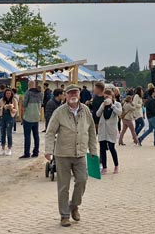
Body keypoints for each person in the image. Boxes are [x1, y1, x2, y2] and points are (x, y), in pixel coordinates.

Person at [44, 85, 98, 227]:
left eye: (76, 92)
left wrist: (93, 151)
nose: (73, 95)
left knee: (82, 180)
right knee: (63, 186)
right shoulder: (59, 112)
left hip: (80, 153)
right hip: (62, 154)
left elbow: (92, 130)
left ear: (79, 95)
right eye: (70, 93)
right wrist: (48, 150)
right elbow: (50, 132)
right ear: (66, 96)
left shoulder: (85, 110)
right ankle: (64, 215)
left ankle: (74, 205)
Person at [96, 91, 122, 174]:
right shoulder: (103, 104)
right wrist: (103, 106)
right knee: (102, 148)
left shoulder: (117, 104)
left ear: (112, 96)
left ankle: (116, 165)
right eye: (105, 97)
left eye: (108, 96)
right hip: (102, 129)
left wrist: (112, 106)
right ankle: (104, 167)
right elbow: (97, 114)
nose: (106, 98)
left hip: (111, 129)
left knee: (111, 147)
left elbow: (119, 113)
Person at [21, 81, 43, 158]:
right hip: (36, 117)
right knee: (36, 135)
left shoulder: (28, 93)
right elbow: (41, 103)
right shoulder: (40, 93)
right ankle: (36, 152)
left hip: (28, 117)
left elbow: (24, 104)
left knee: (27, 136)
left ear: (28, 85)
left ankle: (27, 153)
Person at [0, 88, 18, 156]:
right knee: (2, 133)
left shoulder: (14, 100)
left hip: (10, 117)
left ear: (11, 94)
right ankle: (2, 149)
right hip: (3, 117)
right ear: (5, 94)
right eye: (7, 93)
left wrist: (11, 108)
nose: (8, 95)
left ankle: (9, 148)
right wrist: (3, 107)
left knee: (9, 133)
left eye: (9, 93)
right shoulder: (1, 100)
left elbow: (16, 109)